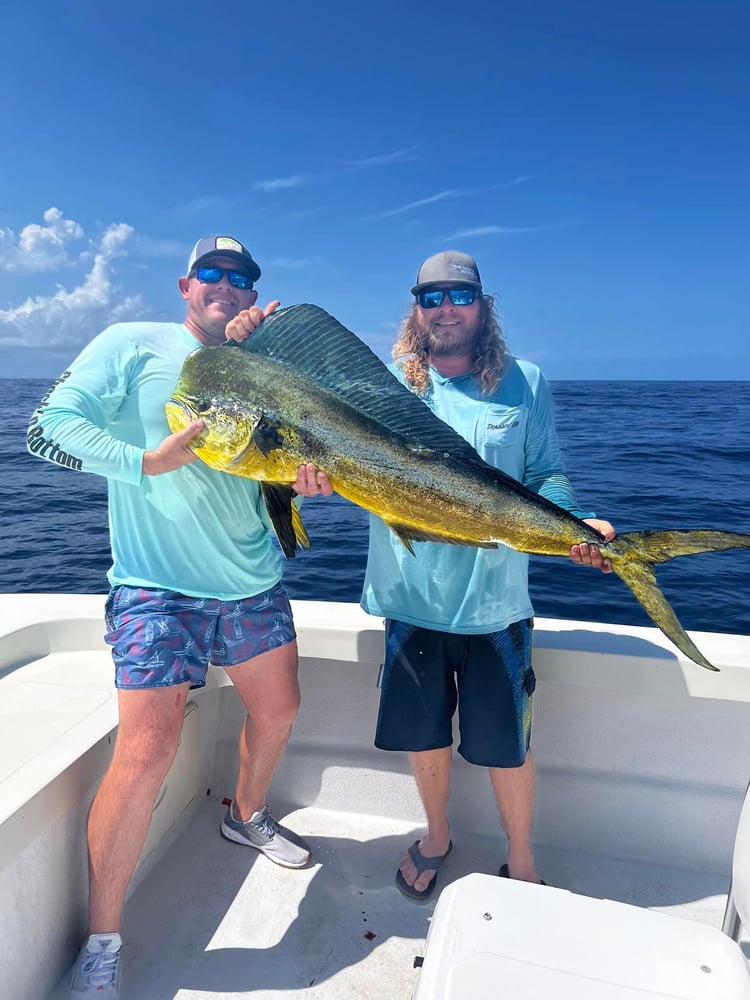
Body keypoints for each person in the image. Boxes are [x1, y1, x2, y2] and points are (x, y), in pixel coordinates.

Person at [27, 235, 332, 999]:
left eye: (243, 277)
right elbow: (46, 427)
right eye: (214, 274)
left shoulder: (268, 364)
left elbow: (284, 466)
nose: (229, 285)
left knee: (281, 710)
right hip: (153, 587)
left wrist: (308, 480)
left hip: (251, 582)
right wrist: (144, 461)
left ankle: (248, 814)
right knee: (146, 755)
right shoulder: (130, 343)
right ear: (185, 284)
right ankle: (103, 941)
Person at [360, 250, 615, 901]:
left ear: (483, 305)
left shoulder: (525, 381)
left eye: (458, 295)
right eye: (431, 296)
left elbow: (545, 474)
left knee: (510, 745)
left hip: (496, 605)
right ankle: (438, 836)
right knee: (425, 736)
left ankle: (521, 859)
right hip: (411, 598)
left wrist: (578, 521)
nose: (444, 308)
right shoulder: (388, 386)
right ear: (416, 307)